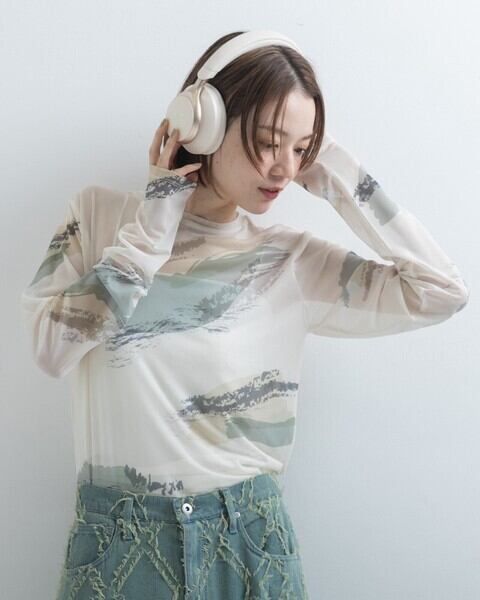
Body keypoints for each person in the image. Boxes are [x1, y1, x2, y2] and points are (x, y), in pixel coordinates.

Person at [20, 30, 469, 600]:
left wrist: (334, 171)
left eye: (301, 149)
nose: (285, 169)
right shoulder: (99, 219)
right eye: (267, 142)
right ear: (203, 121)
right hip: (119, 550)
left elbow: (442, 291)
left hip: (252, 544)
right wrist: (150, 234)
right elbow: (51, 349)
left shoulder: (292, 261)